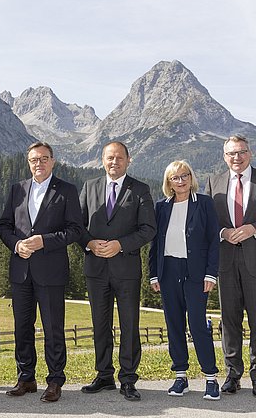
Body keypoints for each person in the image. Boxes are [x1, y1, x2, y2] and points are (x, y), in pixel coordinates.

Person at [0, 141, 83, 403]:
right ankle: (26, 378)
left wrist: (45, 240)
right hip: (21, 270)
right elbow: (4, 225)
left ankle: (55, 380)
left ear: (53, 161)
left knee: (53, 328)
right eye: (34, 159)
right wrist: (16, 244)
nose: (39, 163)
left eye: (44, 159)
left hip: (51, 271)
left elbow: (75, 230)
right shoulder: (17, 190)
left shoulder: (66, 191)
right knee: (22, 327)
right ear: (28, 162)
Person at [79, 141, 156, 401]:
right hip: (96, 269)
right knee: (100, 325)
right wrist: (89, 243)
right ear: (102, 160)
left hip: (126, 270)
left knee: (129, 325)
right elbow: (76, 225)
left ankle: (128, 379)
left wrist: (120, 245)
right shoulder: (89, 187)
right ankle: (104, 375)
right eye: (109, 158)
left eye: (119, 158)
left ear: (128, 160)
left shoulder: (140, 189)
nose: (114, 162)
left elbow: (148, 229)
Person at [149, 160, 220, 400]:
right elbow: (155, 243)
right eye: (175, 177)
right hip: (168, 270)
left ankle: (210, 377)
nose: (180, 181)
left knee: (198, 325)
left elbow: (213, 240)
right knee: (174, 324)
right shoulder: (161, 207)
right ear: (168, 182)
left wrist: (211, 273)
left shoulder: (204, 204)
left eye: (184, 175)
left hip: (196, 273)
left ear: (191, 177)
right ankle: (180, 376)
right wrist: (153, 273)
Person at [206, 135, 256, 395]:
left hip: (254, 260)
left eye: (241, 152)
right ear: (224, 156)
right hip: (225, 261)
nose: (236, 158)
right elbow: (205, 220)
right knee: (229, 319)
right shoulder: (214, 182)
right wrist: (222, 232)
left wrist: (253, 228)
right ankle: (233, 374)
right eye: (231, 153)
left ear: (250, 153)